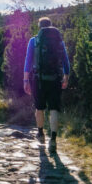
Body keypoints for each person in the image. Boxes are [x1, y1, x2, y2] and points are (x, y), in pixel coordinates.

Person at [23, 16, 70, 152]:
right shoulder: (58, 41)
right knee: (54, 109)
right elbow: (65, 60)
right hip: (55, 79)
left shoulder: (34, 41)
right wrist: (66, 77)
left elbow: (28, 61)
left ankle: (40, 134)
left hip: (38, 80)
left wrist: (25, 80)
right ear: (50, 25)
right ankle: (53, 140)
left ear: (39, 26)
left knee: (39, 108)